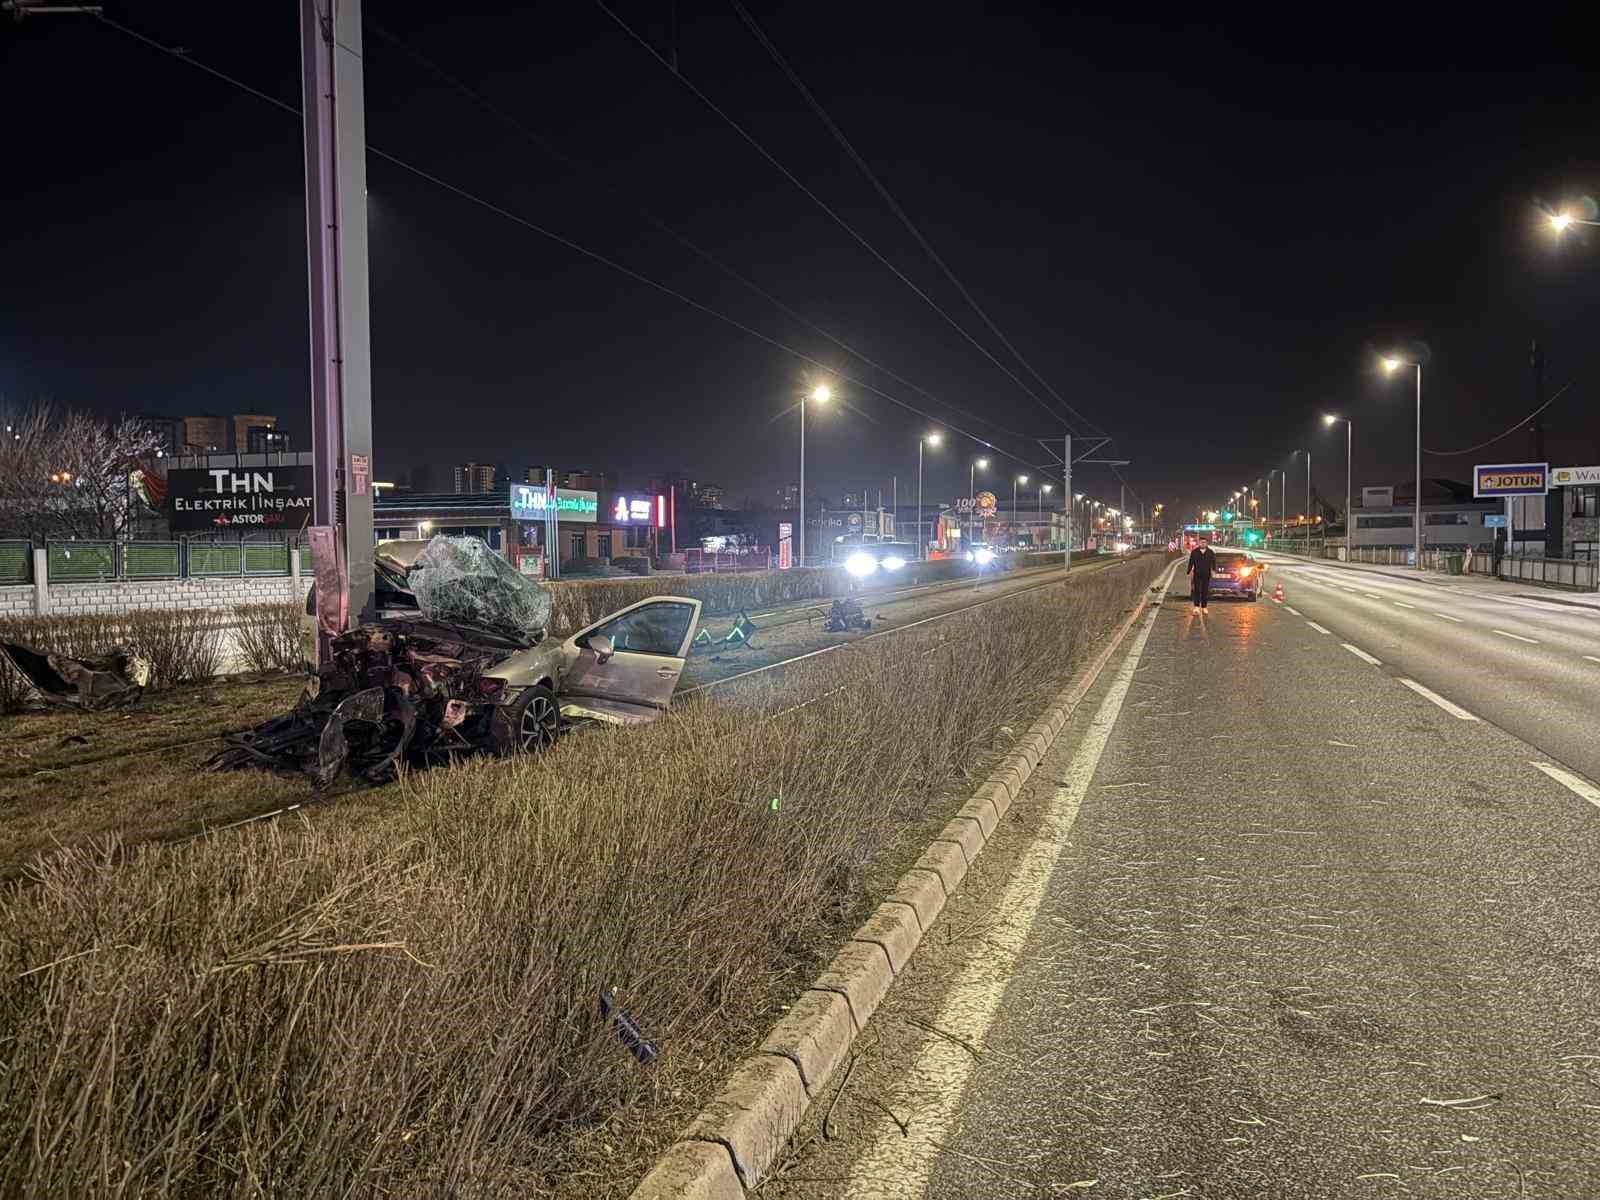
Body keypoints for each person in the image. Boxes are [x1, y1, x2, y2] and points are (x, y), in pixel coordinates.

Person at [1187, 536, 1216, 612]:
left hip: (1206, 574)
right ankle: (1196, 606)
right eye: (1201, 542)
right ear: (1199, 543)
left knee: (1205, 591)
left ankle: (1204, 607)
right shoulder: (1194, 552)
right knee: (1197, 590)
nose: (1203, 544)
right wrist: (1189, 571)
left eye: (1204, 542)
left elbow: (1214, 562)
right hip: (1197, 573)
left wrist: (1214, 570)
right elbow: (1191, 562)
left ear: (1206, 543)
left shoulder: (1210, 552)